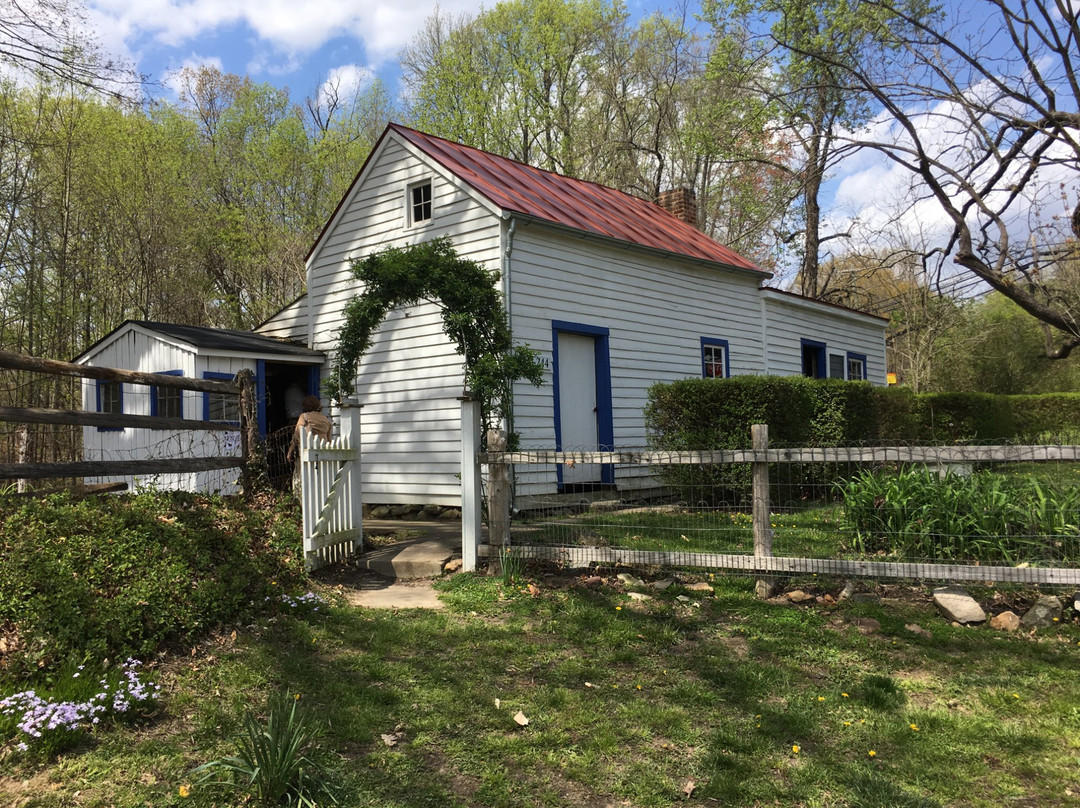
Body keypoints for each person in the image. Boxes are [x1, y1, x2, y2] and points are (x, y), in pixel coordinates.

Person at [287, 396, 333, 490]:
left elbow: (297, 434)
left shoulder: (304, 417)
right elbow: (329, 439)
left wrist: (290, 450)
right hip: (322, 451)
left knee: (301, 477)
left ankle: (300, 497)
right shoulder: (326, 420)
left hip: (308, 450)